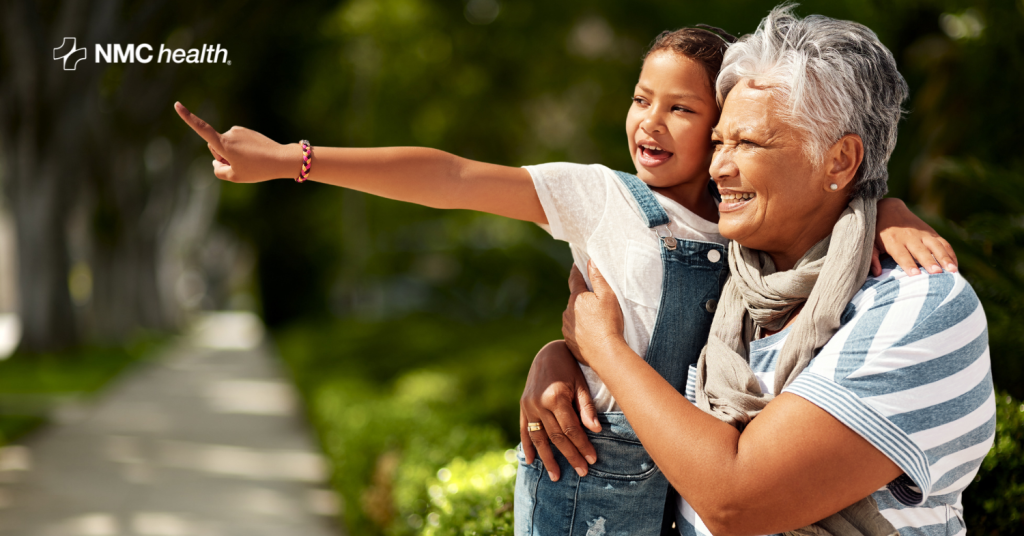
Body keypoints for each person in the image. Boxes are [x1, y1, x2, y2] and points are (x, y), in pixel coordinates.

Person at [174, 21, 959, 536]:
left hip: (671, 492)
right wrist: (293, 161)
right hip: (588, 470)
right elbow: (452, 176)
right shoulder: (604, 197)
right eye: (641, 98)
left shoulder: (749, 243)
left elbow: (820, 205)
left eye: (686, 111)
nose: (651, 122)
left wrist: (880, 206)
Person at [523, 6, 994, 536]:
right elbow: (656, 397)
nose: (718, 166)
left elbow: (737, 500)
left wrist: (604, 350)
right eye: (719, 141)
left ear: (839, 162)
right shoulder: (729, 290)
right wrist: (562, 359)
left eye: (747, 143)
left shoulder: (919, 308)